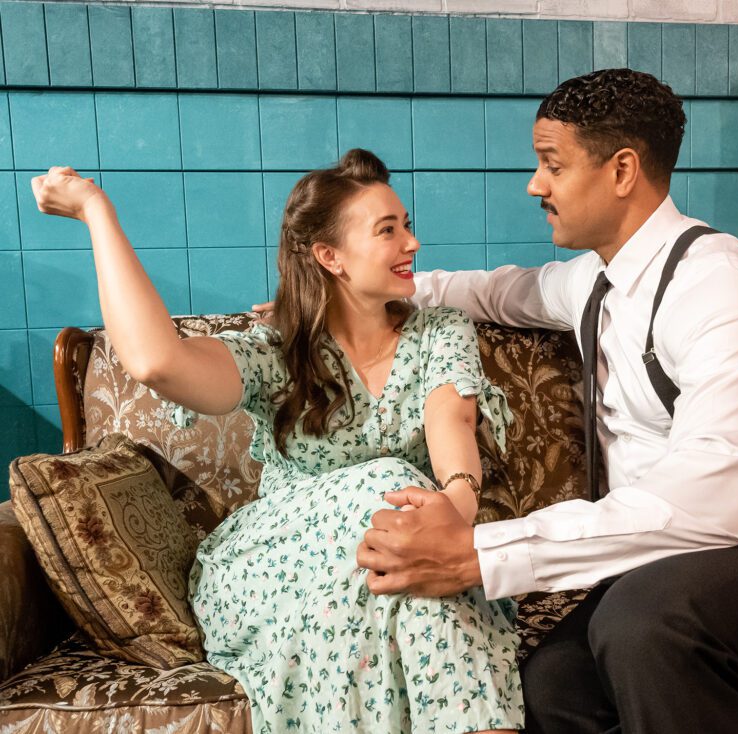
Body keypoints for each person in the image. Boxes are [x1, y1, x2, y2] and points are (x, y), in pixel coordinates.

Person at [353, 69, 738, 733]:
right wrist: (366, 291)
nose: (535, 185)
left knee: (645, 629)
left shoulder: (722, 288)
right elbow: (494, 291)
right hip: (671, 552)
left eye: (552, 165)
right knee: (552, 684)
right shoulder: (590, 281)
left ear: (622, 170)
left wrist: (480, 552)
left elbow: (709, 506)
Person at [31, 150, 525, 734]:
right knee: (392, 491)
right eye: (388, 230)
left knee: (420, 581)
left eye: (408, 226)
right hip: (277, 565)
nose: (412, 243)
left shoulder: (440, 330)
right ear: (329, 256)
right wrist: (96, 211)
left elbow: (451, 419)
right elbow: (155, 361)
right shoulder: (275, 352)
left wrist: (455, 514)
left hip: (393, 557)